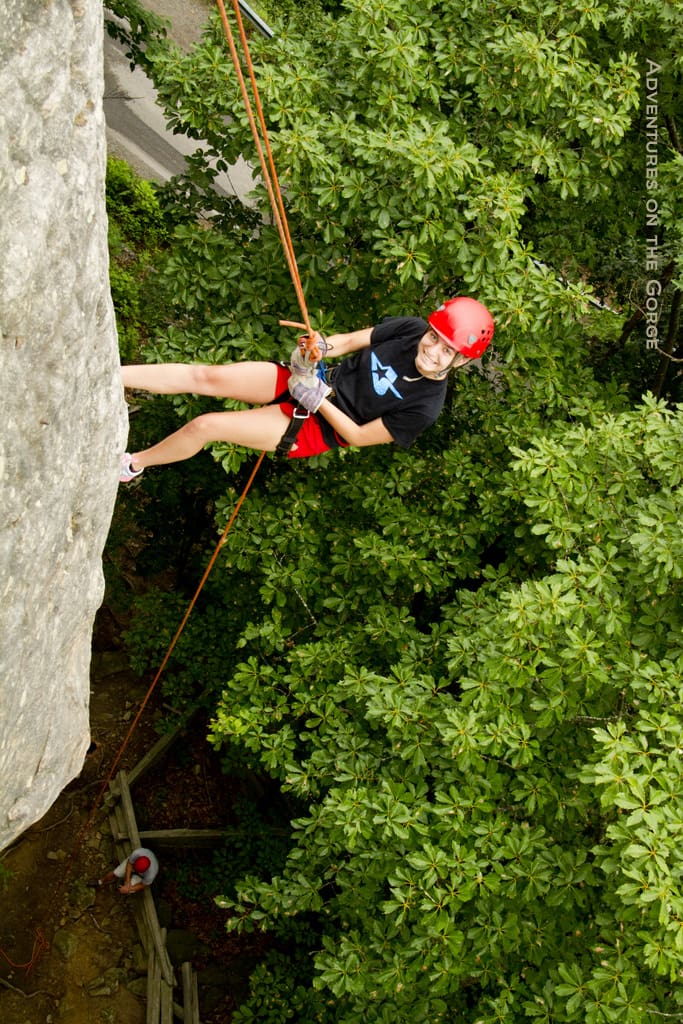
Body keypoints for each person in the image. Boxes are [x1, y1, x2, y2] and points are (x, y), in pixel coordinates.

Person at [119, 297, 494, 481]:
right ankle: (114, 374)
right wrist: (319, 349)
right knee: (208, 377)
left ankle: (132, 465)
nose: (432, 349)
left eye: (447, 350)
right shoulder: (410, 330)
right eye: (434, 337)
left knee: (206, 425)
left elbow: (357, 436)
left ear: (460, 361)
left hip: (316, 427)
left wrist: (318, 399)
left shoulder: (425, 407)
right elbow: (350, 341)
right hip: (313, 379)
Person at [90, 847, 159, 894]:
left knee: (129, 890)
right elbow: (129, 863)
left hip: (141, 876)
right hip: (131, 865)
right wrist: (127, 880)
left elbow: (143, 885)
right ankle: (100, 881)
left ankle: (122, 890)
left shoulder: (151, 875)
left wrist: (128, 888)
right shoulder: (137, 853)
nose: (135, 870)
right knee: (116, 873)